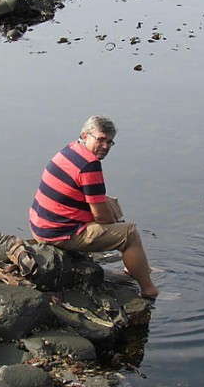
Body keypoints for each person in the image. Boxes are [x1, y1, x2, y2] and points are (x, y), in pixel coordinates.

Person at [29, 115, 160, 299]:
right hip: (56, 232)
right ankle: (148, 289)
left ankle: (136, 265)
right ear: (85, 135)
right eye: (100, 139)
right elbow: (101, 218)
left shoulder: (71, 149)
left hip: (41, 222)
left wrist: (110, 215)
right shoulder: (89, 165)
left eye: (110, 142)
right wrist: (113, 222)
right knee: (129, 234)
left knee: (110, 202)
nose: (105, 146)